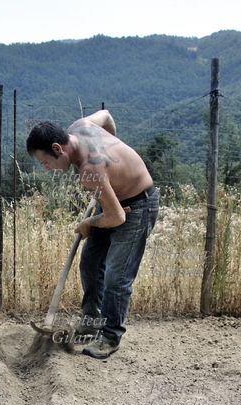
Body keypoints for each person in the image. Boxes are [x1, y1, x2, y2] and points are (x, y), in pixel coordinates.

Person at [26, 110, 159, 359]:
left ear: (57, 148)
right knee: (90, 262)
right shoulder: (80, 126)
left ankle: (109, 336)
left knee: (116, 278)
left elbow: (118, 217)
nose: (47, 169)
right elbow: (107, 116)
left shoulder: (90, 170)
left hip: (138, 206)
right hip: (113, 203)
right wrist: (109, 166)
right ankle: (90, 321)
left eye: (46, 162)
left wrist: (88, 221)